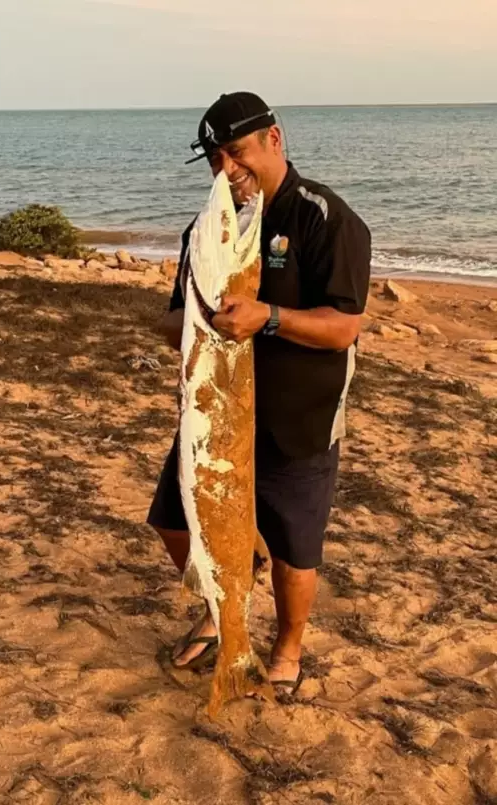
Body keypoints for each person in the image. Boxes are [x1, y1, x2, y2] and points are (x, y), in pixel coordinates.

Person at [147, 91, 371, 694]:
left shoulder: (325, 217)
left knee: (297, 551)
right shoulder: (207, 230)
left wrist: (268, 316)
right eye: (217, 158)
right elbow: (171, 321)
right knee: (172, 522)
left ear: (274, 138)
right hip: (214, 418)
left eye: (237, 151)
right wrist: (196, 320)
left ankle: (289, 649)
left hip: (297, 419)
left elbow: (343, 327)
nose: (228, 169)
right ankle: (228, 596)